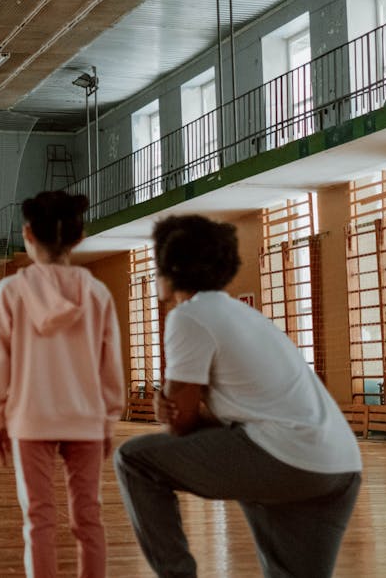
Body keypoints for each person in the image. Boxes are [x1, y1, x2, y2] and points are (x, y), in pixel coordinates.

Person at [113, 214, 363, 578]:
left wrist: (166, 405)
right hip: (338, 465)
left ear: (173, 267)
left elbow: (180, 425)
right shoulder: (246, 315)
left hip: (284, 457)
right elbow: (249, 411)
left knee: (134, 460)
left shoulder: (189, 317)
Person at [0, 191, 126, 578]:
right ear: (79, 237)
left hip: (31, 420)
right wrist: (108, 419)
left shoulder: (9, 292)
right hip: (86, 421)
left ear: (28, 234)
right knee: (89, 519)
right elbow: (110, 367)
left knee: (39, 522)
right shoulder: (97, 294)